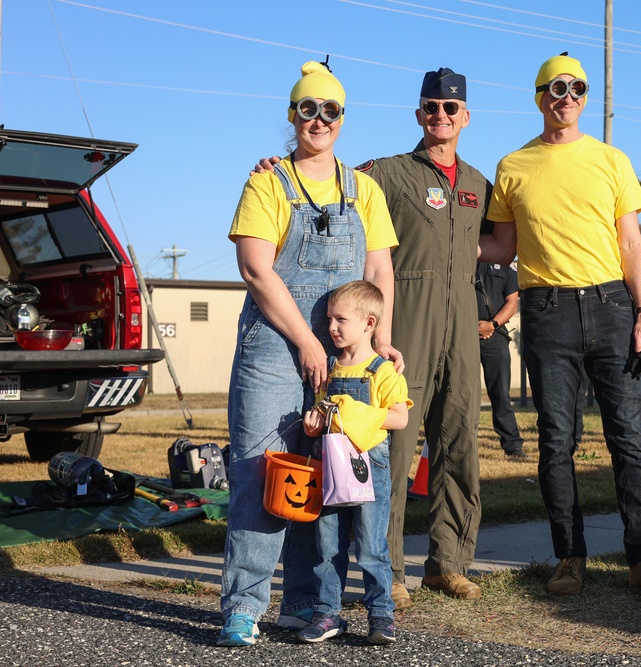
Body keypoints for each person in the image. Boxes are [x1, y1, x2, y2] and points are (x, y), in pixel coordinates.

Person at [255, 67, 489, 608]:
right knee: (393, 448)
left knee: (459, 442)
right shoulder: (384, 172)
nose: (441, 115)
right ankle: (391, 573)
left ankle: (448, 564)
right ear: (418, 114)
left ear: (466, 117)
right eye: (431, 106)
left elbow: (503, 240)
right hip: (405, 321)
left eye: (451, 108)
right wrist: (274, 166)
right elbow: (321, 178)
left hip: (462, 323)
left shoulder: (479, 183)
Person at [478, 53, 641, 602]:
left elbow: (631, 244)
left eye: (576, 88)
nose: (565, 96)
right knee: (556, 443)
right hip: (547, 312)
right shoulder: (513, 166)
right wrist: (432, 234)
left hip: (614, 307)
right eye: (554, 87)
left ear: (585, 99)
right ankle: (569, 558)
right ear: (538, 96)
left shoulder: (611, 160)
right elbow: (502, 247)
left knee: (629, 441)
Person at [218, 61, 398, 647]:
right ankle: (243, 606)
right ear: (292, 115)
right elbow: (255, 267)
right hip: (275, 347)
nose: (318, 120)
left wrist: (380, 338)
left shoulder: (364, 188)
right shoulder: (267, 182)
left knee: (322, 479)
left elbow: (379, 269)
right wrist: (305, 339)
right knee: (261, 471)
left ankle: (305, 605)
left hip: (346, 357)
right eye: (307, 109)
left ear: (343, 119)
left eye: (331, 111)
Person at [296, 281, 411, 645]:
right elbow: (319, 413)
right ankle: (328, 612)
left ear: (369, 323)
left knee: (372, 544)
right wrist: (313, 425)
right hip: (331, 469)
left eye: (340, 319)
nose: (331, 327)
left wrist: (359, 413)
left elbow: (400, 418)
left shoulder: (383, 371)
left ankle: (381, 615)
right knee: (328, 544)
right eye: (329, 318)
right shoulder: (328, 369)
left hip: (368, 469)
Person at [476, 259, 526, 459]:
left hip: (495, 337)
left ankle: (512, 445)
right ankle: (461, 444)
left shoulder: (505, 264)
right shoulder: (463, 257)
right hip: (463, 335)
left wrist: (491, 325)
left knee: (500, 395)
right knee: (462, 395)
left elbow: (512, 302)